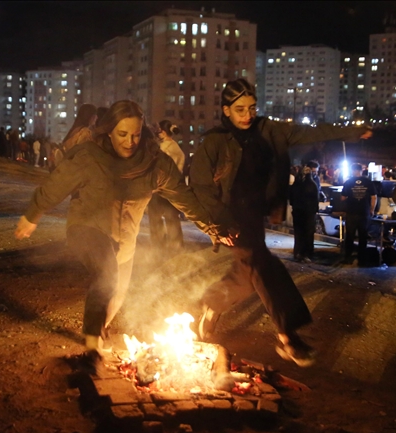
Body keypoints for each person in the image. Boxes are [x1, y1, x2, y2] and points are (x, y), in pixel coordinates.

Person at [15, 100, 233, 355]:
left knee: (117, 294)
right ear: (109, 131)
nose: (130, 141)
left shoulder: (154, 164)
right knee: (106, 274)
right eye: (122, 134)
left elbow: (183, 197)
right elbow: (55, 186)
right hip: (87, 227)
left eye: (136, 135)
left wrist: (210, 226)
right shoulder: (90, 157)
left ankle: (100, 329)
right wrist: (32, 214)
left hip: (125, 240)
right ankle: (92, 339)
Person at [189, 79, 370, 367]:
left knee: (248, 274)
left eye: (251, 108)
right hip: (230, 218)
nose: (247, 115)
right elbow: (200, 186)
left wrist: (352, 131)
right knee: (263, 265)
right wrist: (218, 225)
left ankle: (212, 302)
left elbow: (310, 132)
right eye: (239, 110)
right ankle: (287, 336)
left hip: (254, 216)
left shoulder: (269, 130)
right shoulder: (215, 140)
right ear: (226, 110)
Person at [148, 119, 186, 251]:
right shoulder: (177, 148)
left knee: (155, 218)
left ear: (163, 132)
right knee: (172, 217)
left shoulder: (163, 148)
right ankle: (176, 244)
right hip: (173, 188)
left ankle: (158, 245)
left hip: (159, 187)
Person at [341, 163, 377, 263]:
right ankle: (362, 258)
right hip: (364, 212)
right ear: (361, 170)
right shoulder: (368, 182)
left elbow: (343, 197)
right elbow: (374, 197)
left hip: (352, 212)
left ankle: (347, 257)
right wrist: (372, 210)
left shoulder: (348, 182)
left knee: (350, 235)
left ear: (352, 170)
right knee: (363, 236)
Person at [289, 161, 321, 263]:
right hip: (308, 214)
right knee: (308, 234)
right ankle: (307, 254)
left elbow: (291, 198)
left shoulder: (296, 184)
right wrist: (315, 211)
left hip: (297, 212)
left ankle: (297, 253)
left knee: (298, 233)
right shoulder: (312, 185)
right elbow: (315, 200)